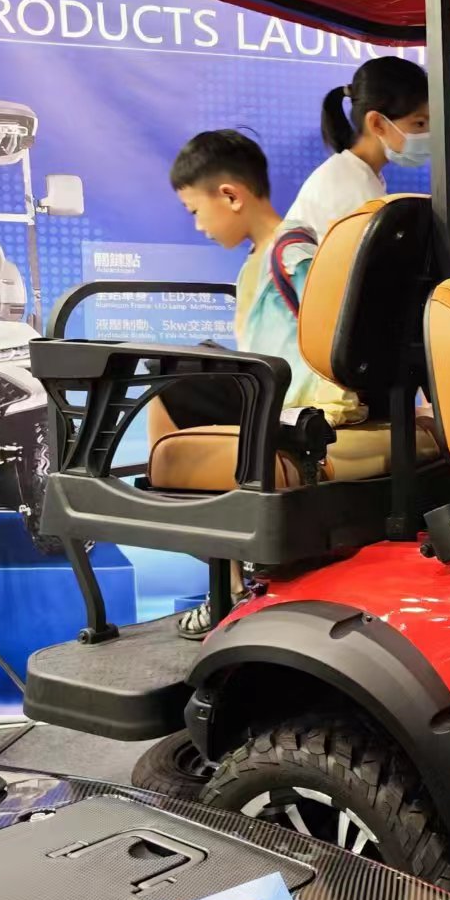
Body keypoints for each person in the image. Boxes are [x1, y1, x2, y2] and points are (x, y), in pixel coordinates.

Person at [164, 130, 361, 637]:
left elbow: (342, 332)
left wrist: (338, 403)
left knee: (174, 375)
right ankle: (228, 575)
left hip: (299, 405)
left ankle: (229, 582)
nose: (198, 226)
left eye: (195, 211)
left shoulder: (293, 252)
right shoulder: (260, 259)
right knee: (181, 369)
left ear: (231, 195)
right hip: (273, 395)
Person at [284, 55, 431, 239]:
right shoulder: (354, 193)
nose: (429, 134)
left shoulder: (352, 173)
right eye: (420, 123)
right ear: (377, 123)